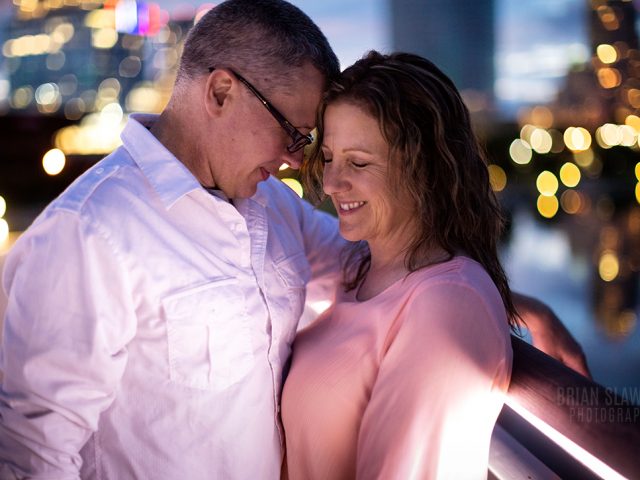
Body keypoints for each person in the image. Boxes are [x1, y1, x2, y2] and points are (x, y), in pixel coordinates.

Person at [0, 1, 587, 479]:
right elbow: (31, 451)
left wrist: (504, 302)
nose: (294, 162)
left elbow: (376, 264)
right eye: (294, 133)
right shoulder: (89, 234)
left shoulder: (270, 208)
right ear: (222, 92)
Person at [282, 51, 518, 478]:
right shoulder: (357, 267)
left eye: (358, 162)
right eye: (330, 157)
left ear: (423, 168)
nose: (332, 183)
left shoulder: (447, 306)